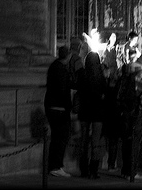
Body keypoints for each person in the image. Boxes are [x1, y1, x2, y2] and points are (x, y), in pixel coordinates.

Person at [119, 54, 142, 181]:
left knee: (126, 141)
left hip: (126, 110)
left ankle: (125, 170)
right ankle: (132, 173)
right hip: (139, 110)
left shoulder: (127, 71)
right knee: (135, 142)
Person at [78, 46, 108, 179]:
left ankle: (83, 170)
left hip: (85, 111)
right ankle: (93, 170)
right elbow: (104, 93)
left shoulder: (82, 74)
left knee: (84, 141)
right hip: (97, 112)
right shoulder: (99, 76)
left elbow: (80, 91)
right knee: (96, 141)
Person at [44, 46, 73, 178]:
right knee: (60, 138)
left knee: (57, 137)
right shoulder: (61, 70)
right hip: (59, 109)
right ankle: (55, 166)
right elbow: (63, 91)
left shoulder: (54, 67)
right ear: (67, 56)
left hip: (52, 106)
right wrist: (69, 107)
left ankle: (55, 165)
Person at [100, 32, 123, 171]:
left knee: (112, 140)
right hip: (112, 116)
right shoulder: (106, 48)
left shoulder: (117, 49)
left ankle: (110, 163)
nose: (113, 40)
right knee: (112, 139)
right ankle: (110, 163)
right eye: (112, 38)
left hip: (110, 115)